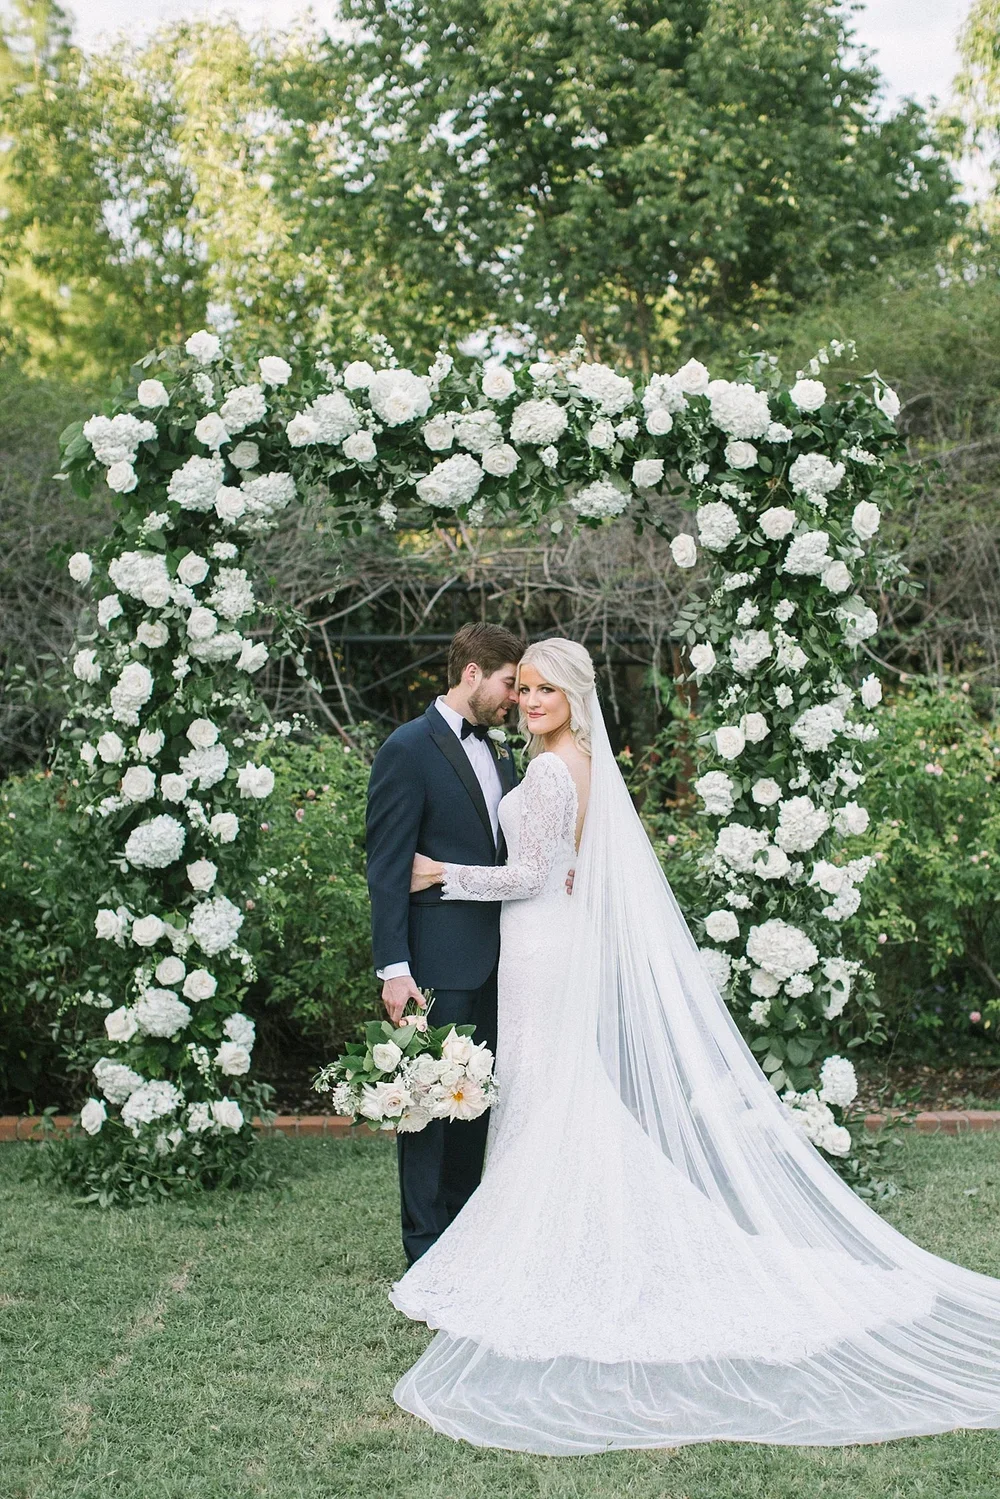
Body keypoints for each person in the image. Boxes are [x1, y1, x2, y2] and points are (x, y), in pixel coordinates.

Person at [386, 637, 1000, 1455]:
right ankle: (563, 1223)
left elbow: (529, 874)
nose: (529, 702)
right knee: (558, 1087)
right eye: (522, 689)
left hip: (537, 942)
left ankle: (543, 1238)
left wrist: (442, 875)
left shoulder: (542, 769)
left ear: (572, 695)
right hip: (555, 944)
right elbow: (568, 864)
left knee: (544, 1087)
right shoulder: (585, 762)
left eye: (543, 691)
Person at [365, 622, 524, 1266]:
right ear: (472, 675)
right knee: (430, 1103)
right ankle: (424, 1248)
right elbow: (387, 866)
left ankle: (466, 1236)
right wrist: (394, 969)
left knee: (477, 1101)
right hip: (434, 961)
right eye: (509, 684)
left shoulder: (505, 753)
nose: (515, 698)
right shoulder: (408, 748)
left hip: (502, 960)